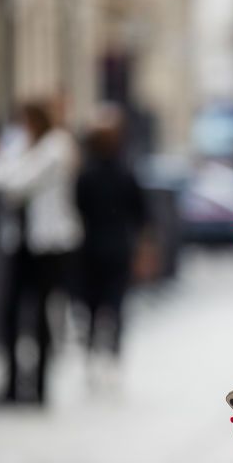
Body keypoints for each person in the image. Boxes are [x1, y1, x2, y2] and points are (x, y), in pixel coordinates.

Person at [0, 100, 83, 405]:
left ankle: (39, 387)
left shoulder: (56, 146)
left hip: (48, 245)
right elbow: (0, 175)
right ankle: (11, 384)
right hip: (21, 243)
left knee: (42, 315)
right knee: (10, 313)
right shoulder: (24, 144)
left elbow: (16, 182)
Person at [74, 104, 149, 388]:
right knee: (114, 308)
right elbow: (141, 216)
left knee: (93, 309)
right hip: (114, 249)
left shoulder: (87, 174)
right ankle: (109, 361)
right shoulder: (123, 173)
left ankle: (95, 361)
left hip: (92, 249)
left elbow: (77, 209)